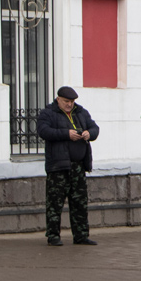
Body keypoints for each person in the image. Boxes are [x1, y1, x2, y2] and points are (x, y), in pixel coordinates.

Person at [35, 85, 100, 246]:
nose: (69, 104)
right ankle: (53, 236)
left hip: (78, 166)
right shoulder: (48, 113)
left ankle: (81, 235)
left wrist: (88, 134)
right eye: (66, 101)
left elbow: (95, 128)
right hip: (58, 166)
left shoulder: (80, 112)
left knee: (79, 202)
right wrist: (66, 134)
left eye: (71, 101)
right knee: (55, 203)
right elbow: (43, 131)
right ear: (58, 99)